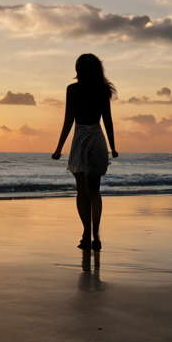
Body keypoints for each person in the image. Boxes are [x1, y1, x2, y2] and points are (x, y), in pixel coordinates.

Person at [52, 54, 118, 251]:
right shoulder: (102, 90)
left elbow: (68, 120)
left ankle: (85, 234)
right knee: (95, 191)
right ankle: (96, 234)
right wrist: (113, 147)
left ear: (78, 69)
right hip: (97, 138)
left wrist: (58, 148)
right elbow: (108, 120)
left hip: (80, 137)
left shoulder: (73, 89)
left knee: (82, 191)